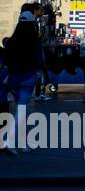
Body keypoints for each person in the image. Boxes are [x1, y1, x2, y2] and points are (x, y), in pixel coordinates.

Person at [1, 12, 44, 153]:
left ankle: (24, 144)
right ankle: (9, 142)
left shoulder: (12, 41)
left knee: (21, 111)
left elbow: (6, 61)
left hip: (13, 79)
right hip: (28, 79)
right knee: (21, 110)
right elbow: (39, 60)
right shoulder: (34, 41)